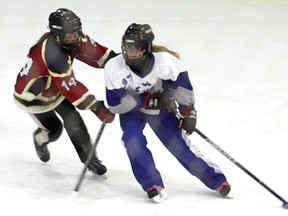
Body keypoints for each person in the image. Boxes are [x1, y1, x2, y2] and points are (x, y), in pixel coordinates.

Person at [104, 23, 231, 203]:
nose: (131, 53)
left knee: (179, 146)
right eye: (128, 48)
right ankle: (151, 184)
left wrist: (188, 113)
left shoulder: (166, 62)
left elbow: (182, 87)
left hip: (161, 110)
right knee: (132, 141)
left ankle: (216, 180)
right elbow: (116, 104)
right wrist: (144, 100)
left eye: (137, 49)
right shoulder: (114, 67)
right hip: (132, 112)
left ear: (147, 48)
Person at [13, 8, 116, 176]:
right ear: (56, 35)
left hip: (54, 87)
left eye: (76, 32)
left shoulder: (74, 38)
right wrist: (96, 107)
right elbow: (71, 87)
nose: (74, 37)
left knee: (74, 120)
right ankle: (40, 139)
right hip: (33, 98)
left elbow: (97, 54)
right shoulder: (53, 54)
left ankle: (90, 159)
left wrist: (120, 62)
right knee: (55, 130)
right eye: (69, 35)